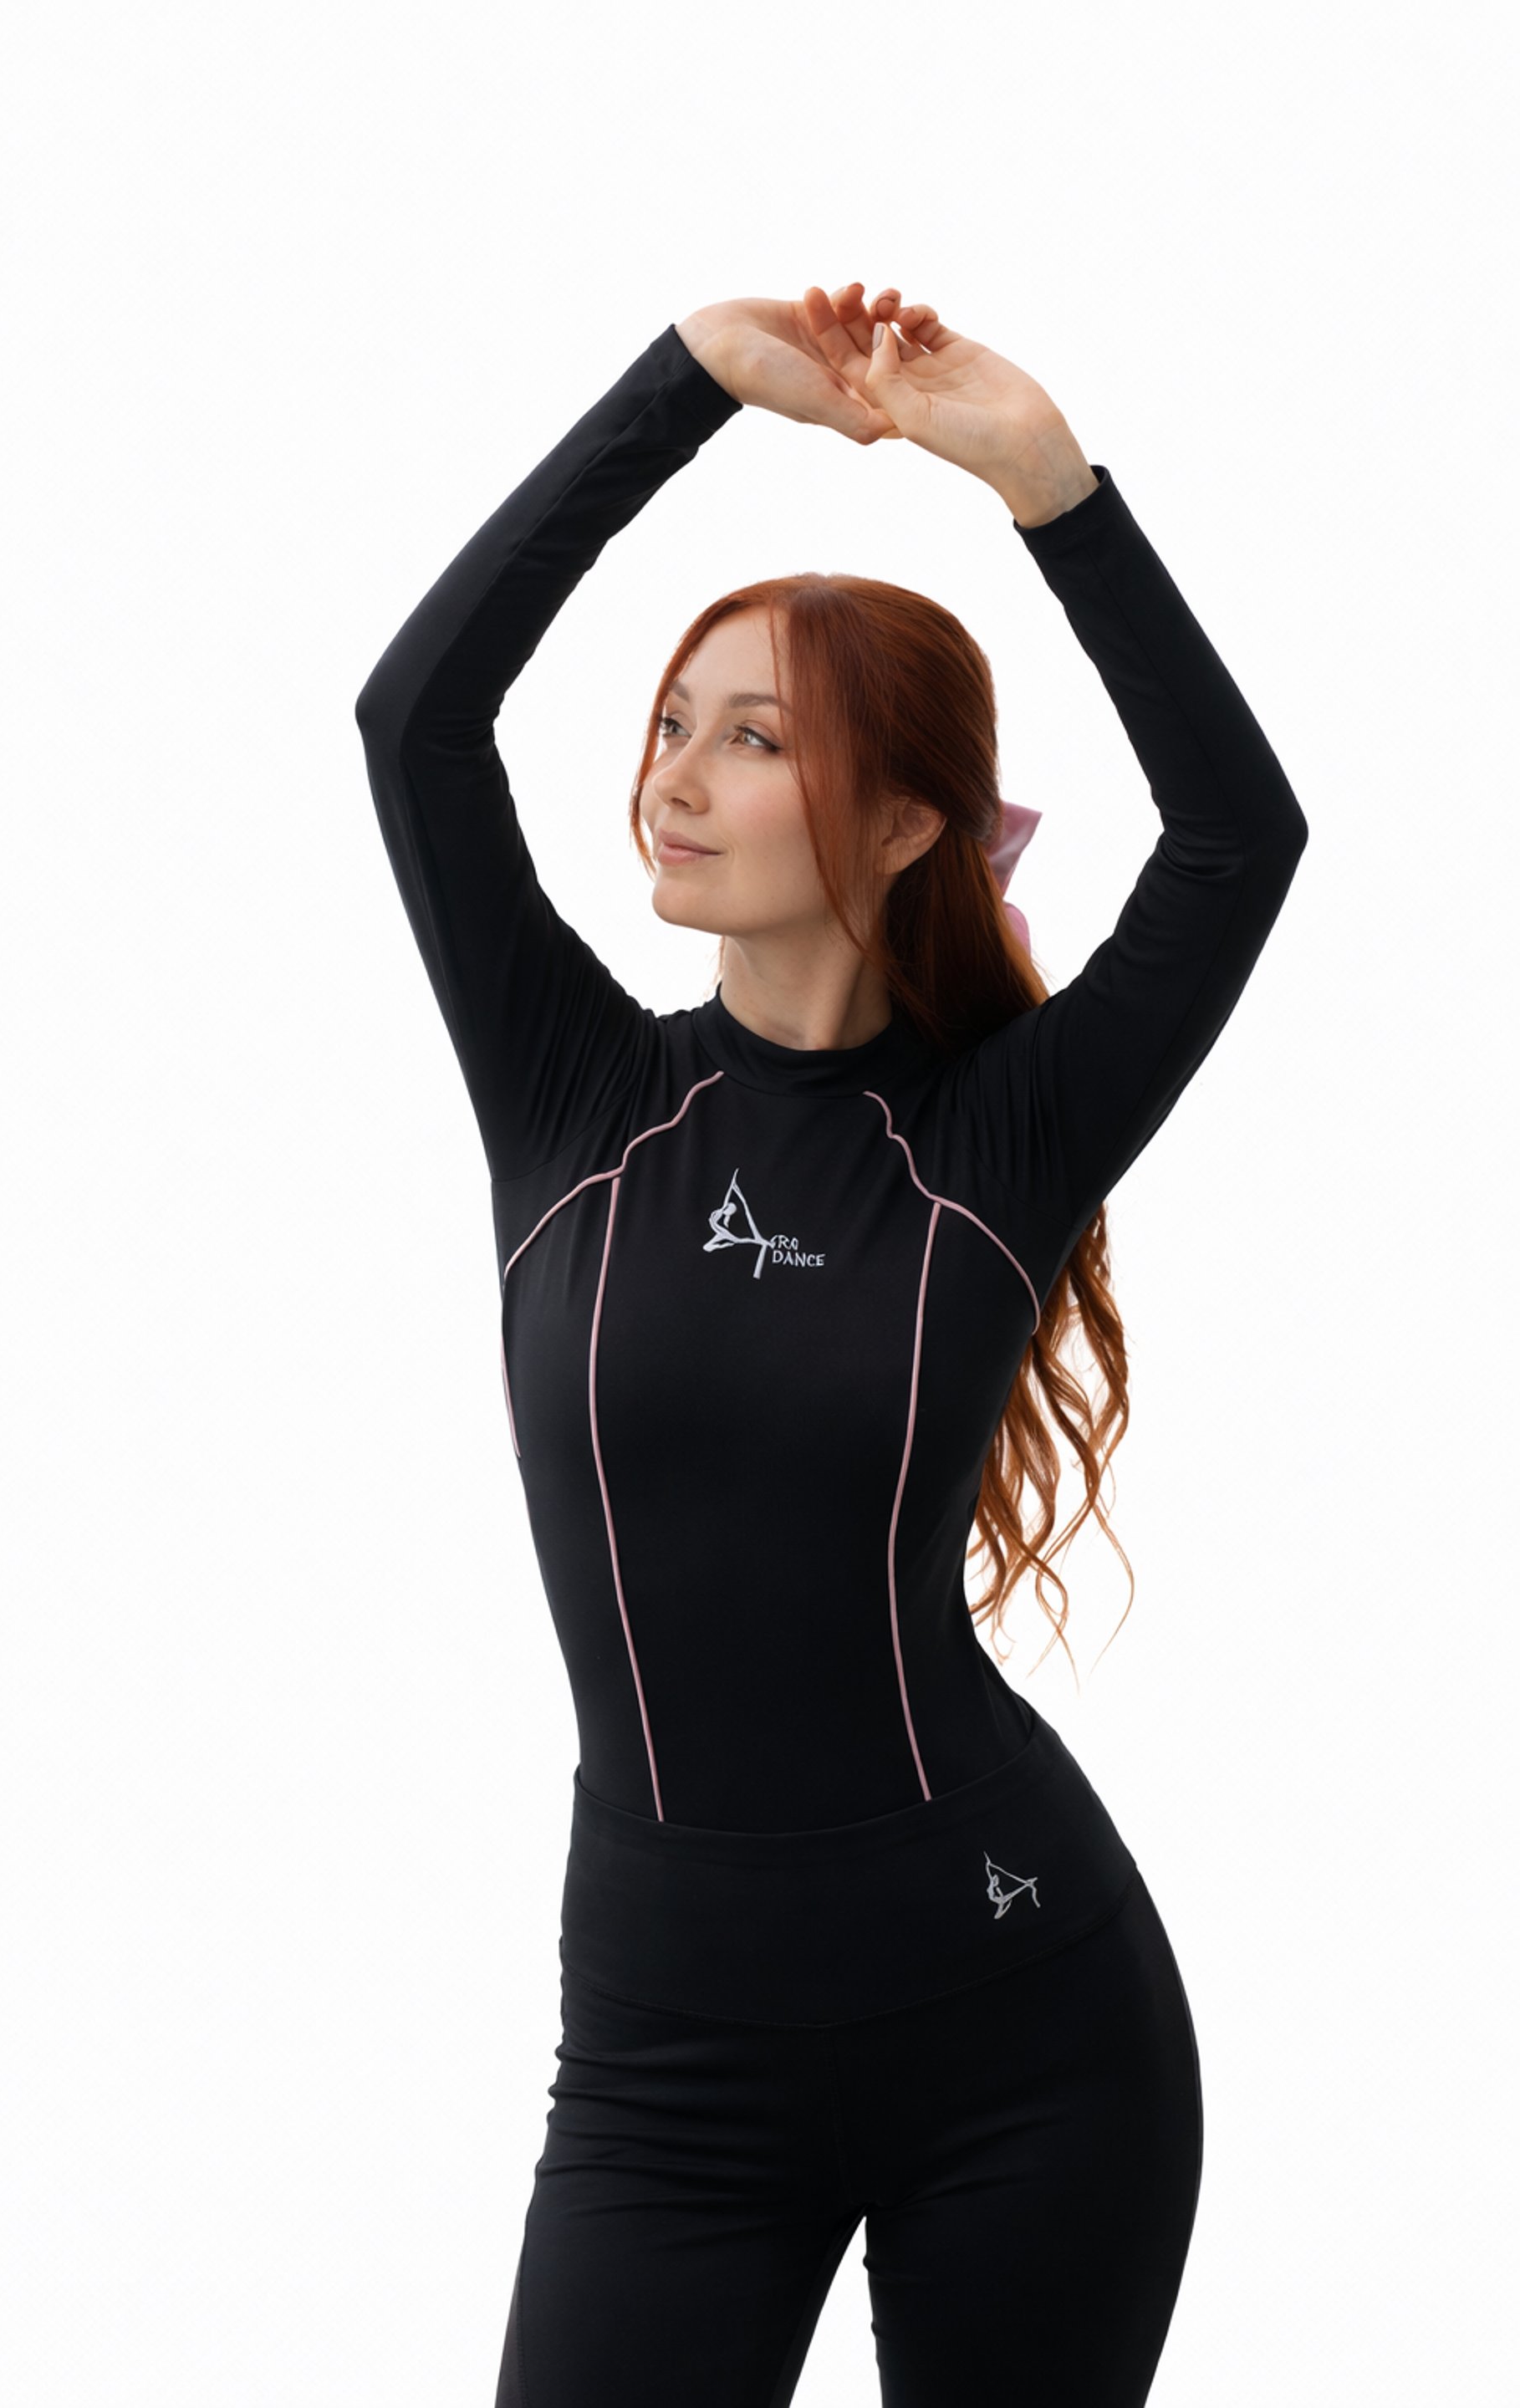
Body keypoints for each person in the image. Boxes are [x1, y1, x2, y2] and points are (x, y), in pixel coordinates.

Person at [353, 280, 1308, 2407]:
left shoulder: (999, 1140)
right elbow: (415, 721)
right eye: (674, 724)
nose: (673, 781)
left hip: (1024, 2029)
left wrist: (1048, 488)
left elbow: (1244, 838)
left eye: (758, 739)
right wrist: (691, 386)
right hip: (666, 2064)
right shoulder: (577, 1102)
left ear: (902, 825)